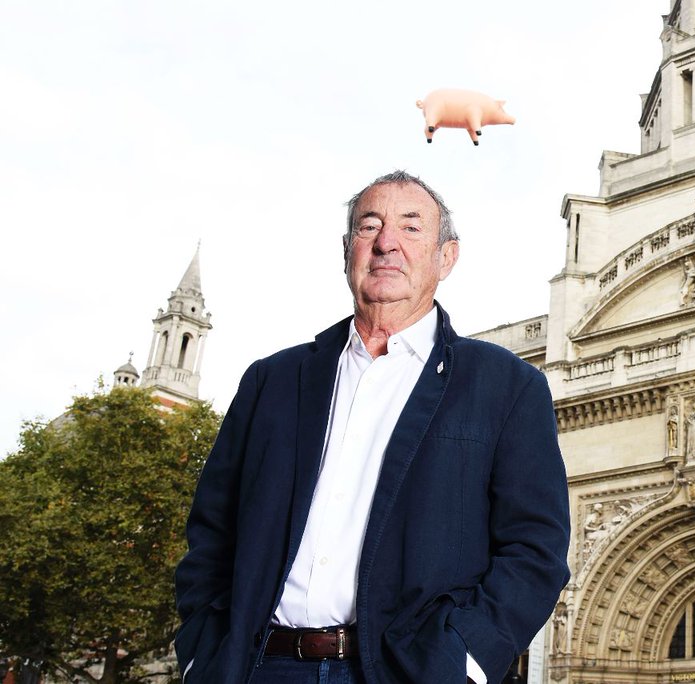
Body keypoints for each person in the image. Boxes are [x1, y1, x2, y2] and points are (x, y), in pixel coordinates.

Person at [174, 170, 571, 684]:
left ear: (446, 257)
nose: (387, 243)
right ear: (347, 251)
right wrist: (201, 657)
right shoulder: (271, 381)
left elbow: (535, 549)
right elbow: (212, 531)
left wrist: (464, 663)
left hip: (408, 673)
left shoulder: (507, 387)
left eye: (411, 228)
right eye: (369, 227)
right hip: (258, 668)